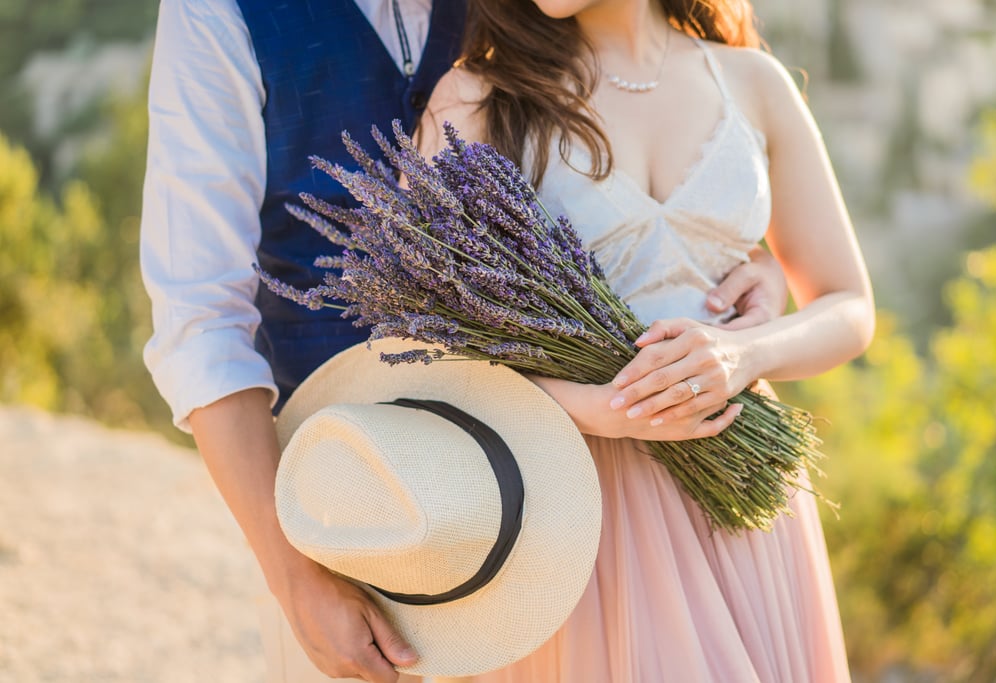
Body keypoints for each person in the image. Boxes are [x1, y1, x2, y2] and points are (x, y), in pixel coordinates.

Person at [139, 0, 790, 681]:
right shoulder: (219, 12)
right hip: (357, 515)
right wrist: (294, 572)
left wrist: (740, 263)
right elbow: (201, 320)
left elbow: (654, 142)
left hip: (552, 521)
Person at [410, 0, 875, 681]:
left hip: (744, 493)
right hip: (574, 512)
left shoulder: (752, 81)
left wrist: (745, 353)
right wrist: (587, 407)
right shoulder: (475, 99)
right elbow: (424, 350)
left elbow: (849, 304)